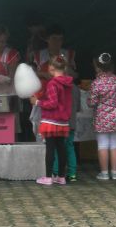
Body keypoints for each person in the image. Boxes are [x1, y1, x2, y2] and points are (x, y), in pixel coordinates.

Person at [30, 55, 73, 186]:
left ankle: (48, 177)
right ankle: (61, 177)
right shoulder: (68, 83)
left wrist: (37, 102)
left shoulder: (53, 83)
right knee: (61, 148)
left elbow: (52, 103)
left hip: (51, 120)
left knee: (50, 148)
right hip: (63, 121)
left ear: (51, 68)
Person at [88, 53, 116, 180]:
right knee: (114, 145)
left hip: (102, 118)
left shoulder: (97, 83)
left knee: (103, 145)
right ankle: (115, 173)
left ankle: (104, 173)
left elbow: (91, 103)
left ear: (98, 67)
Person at [52, 76, 81, 182]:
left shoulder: (54, 85)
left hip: (58, 122)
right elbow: (78, 107)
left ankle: (56, 172)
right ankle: (72, 174)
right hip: (71, 123)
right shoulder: (75, 88)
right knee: (69, 147)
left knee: (56, 148)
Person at [33, 24, 76, 90]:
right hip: (43, 90)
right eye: (54, 38)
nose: (57, 42)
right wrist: (43, 74)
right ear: (47, 39)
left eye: (60, 39)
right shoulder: (38, 55)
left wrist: (68, 72)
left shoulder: (69, 54)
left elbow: (76, 75)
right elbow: (30, 74)